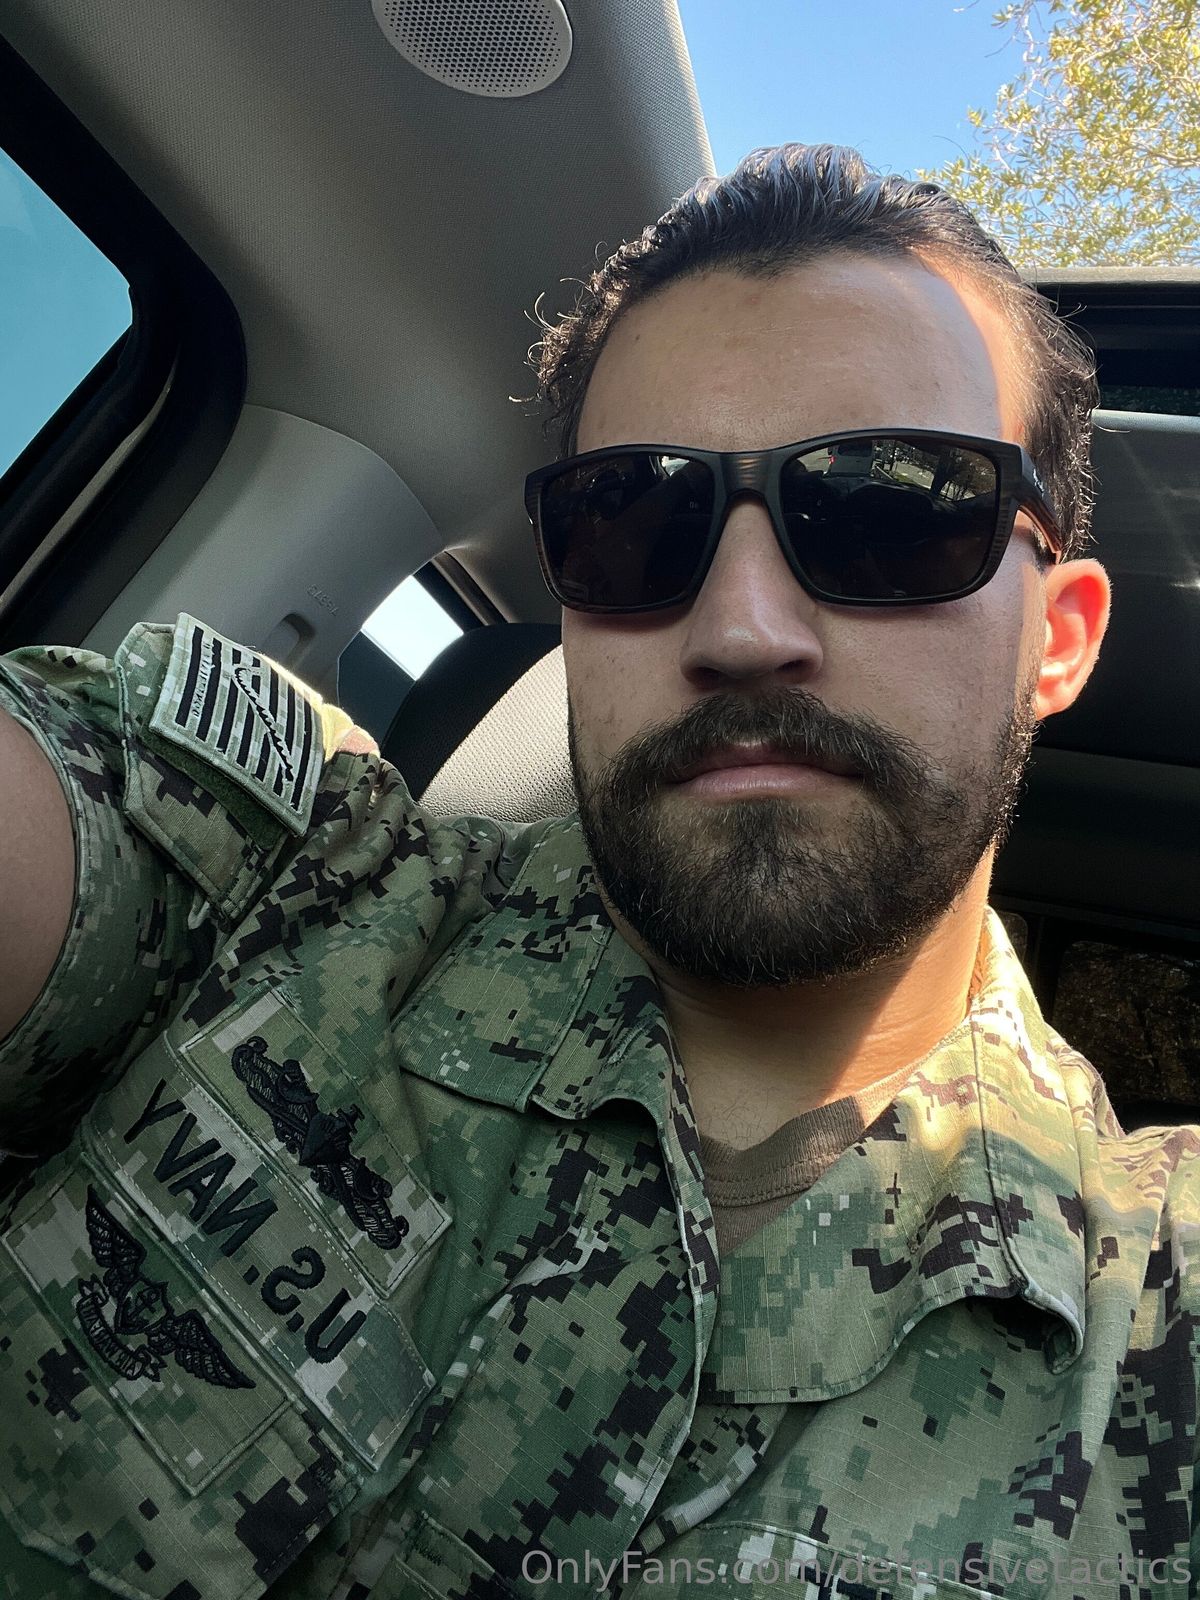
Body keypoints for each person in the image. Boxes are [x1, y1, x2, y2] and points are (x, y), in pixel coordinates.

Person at [0, 144, 1194, 1600]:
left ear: (1058, 639)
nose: (742, 629)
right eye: (634, 523)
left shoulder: (1159, 1318)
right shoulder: (303, 883)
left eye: (891, 512)